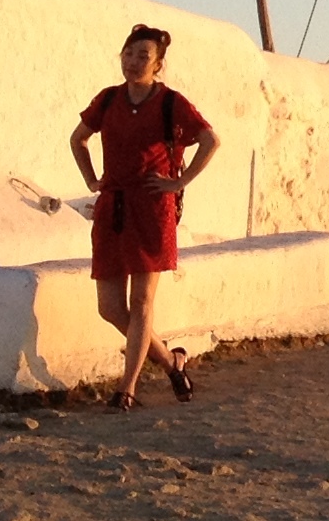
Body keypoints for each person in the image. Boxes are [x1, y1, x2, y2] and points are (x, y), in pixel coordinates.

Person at [68, 25, 219, 408]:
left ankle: (127, 389)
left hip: (152, 207)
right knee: (110, 307)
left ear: (158, 65)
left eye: (143, 57)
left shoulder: (171, 103)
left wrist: (178, 182)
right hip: (113, 206)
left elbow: (210, 140)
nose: (133, 63)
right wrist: (91, 179)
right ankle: (171, 361)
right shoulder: (108, 99)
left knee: (142, 304)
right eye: (129, 54)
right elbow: (78, 138)